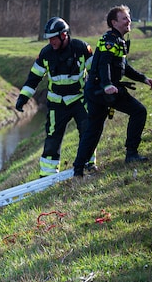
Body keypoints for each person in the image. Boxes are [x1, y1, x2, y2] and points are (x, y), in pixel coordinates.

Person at [73, 5, 152, 176]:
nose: (129, 21)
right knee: (139, 112)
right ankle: (131, 154)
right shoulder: (110, 40)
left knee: (94, 129)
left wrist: (143, 78)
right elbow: (104, 64)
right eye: (124, 18)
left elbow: (123, 67)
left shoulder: (118, 39)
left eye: (129, 17)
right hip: (101, 90)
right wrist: (107, 85)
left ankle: (78, 169)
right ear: (114, 22)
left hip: (100, 89)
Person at [15, 17, 94, 177]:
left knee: (87, 132)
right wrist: (23, 97)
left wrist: (97, 93)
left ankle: (89, 165)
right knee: (52, 139)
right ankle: (47, 176)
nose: (51, 42)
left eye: (53, 38)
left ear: (64, 35)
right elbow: (34, 78)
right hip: (56, 104)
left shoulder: (82, 48)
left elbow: (95, 72)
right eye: (49, 39)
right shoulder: (45, 54)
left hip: (80, 101)